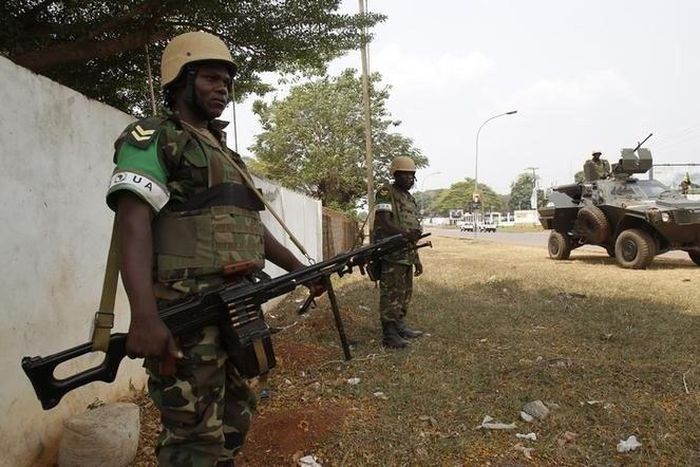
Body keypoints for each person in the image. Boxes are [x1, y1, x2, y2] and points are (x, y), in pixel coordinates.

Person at [105, 31, 321, 466]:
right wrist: (143, 316)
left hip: (237, 309)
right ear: (180, 82)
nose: (222, 88)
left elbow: (249, 229)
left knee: (235, 422)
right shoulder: (154, 137)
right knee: (193, 439)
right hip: (188, 313)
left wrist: (301, 269)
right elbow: (133, 223)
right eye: (209, 78)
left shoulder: (226, 154)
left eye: (226, 80)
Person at [372, 156, 424, 349]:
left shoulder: (409, 198)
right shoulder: (386, 192)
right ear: (396, 174)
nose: (410, 179)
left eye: (412, 176)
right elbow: (383, 221)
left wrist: (416, 259)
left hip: (407, 254)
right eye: (406, 175)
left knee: (404, 294)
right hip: (392, 253)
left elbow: (412, 230)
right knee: (391, 294)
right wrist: (405, 233)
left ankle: (400, 326)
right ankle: (389, 334)